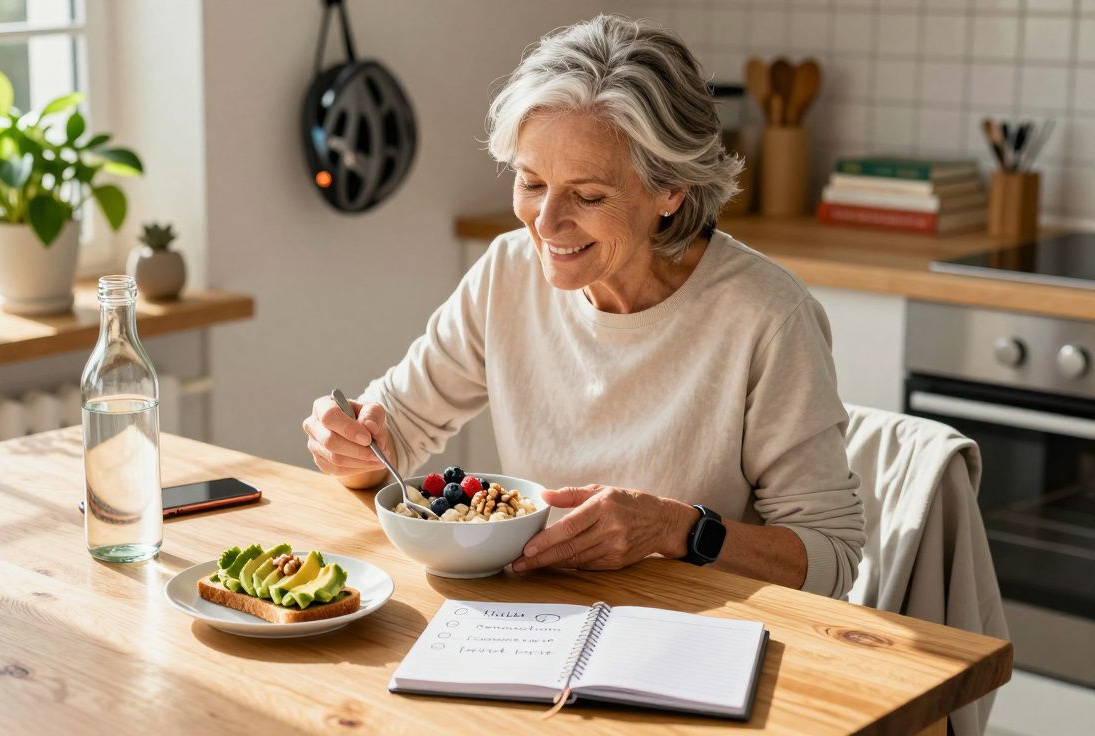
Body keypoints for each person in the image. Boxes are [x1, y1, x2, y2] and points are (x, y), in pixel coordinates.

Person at [302, 14, 864, 598]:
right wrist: (350, 441)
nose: (545, 225)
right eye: (531, 182)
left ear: (671, 191)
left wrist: (678, 529)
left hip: (701, 638)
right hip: (539, 616)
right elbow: (391, 436)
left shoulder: (767, 316)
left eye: (588, 195)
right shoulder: (507, 273)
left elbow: (830, 557)